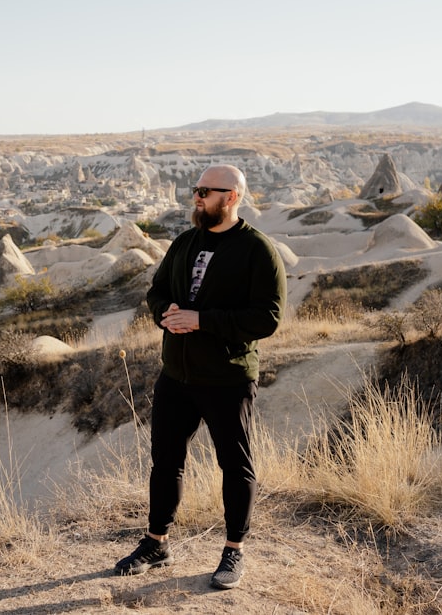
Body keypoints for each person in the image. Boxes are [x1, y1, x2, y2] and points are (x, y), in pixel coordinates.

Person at [114, 164, 287, 589]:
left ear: (230, 197)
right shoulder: (185, 241)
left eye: (205, 191)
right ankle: (157, 544)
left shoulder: (257, 250)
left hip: (227, 377)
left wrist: (202, 320)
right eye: (195, 189)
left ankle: (234, 552)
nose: (196, 197)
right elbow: (157, 291)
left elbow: (267, 318)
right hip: (176, 375)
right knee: (166, 462)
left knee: (235, 465)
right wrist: (165, 315)